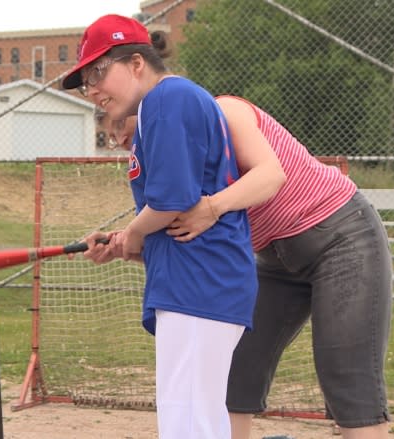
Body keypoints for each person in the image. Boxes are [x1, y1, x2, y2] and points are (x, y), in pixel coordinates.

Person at [87, 75, 393, 439]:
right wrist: (130, 246)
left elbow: (271, 175)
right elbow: (197, 239)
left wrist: (213, 206)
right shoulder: (175, 163)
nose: (122, 139)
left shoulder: (222, 111)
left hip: (340, 238)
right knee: (235, 373)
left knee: (345, 371)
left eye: (122, 123)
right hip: (272, 260)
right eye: (113, 137)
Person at [62, 14, 258, 438]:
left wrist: (131, 233)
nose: (91, 89)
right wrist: (125, 243)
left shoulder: (168, 98)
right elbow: (171, 214)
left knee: (190, 425)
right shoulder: (160, 106)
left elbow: (173, 200)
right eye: (84, 81)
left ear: (136, 63)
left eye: (98, 72)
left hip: (200, 284)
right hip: (193, 282)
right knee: (191, 419)